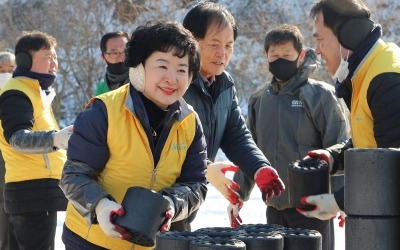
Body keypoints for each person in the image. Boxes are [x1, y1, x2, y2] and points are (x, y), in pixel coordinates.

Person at [59, 20, 208, 250]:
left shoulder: (190, 122)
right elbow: (74, 176)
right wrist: (100, 205)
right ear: (138, 67)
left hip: (152, 244)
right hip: (92, 242)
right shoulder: (103, 111)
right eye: (162, 66)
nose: (172, 78)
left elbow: (196, 184)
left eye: (181, 69)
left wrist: (171, 203)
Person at [227, 24, 350, 250]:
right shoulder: (259, 99)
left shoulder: (320, 95)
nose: (280, 60)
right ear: (266, 56)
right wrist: (238, 195)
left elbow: (339, 146)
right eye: (275, 55)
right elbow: (249, 150)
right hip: (274, 206)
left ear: (301, 56)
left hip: (313, 207)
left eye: (287, 55)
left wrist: (341, 200)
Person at [178, 1, 285, 231]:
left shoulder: (224, 84)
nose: (223, 53)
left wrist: (259, 167)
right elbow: (167, 146)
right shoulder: (174, 83)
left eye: (229, 45)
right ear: (191, 42)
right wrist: (205, 168)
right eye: (214, 44)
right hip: (161, 199)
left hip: (186, 204)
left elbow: (236, 135)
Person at [296, 0, 400, 223]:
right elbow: (374, 143)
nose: (317, 50)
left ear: (349, 36)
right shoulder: (369, 71)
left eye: (320, 40)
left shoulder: (387, 81)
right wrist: (333, 157)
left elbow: (393, 167)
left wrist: (339, 201)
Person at [0, 31, 73, 250]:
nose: (54, 63)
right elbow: (18, 139)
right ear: (24, 60)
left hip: (37, 191)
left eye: (55, 57)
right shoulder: (16, 93)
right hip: (31, 190)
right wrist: (57, 139)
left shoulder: (37, 93)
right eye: (47, 57)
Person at [0, 51, 16, 250]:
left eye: (10, 70)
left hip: (19, 159)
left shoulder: (24, 93)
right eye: (1, 70)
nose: (5, 74)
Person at [94, 31, 130, 95]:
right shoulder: (102, 90)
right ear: (103, 57)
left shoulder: (144, 80)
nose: (122, 58)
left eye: (126, 52)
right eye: (115, 53)